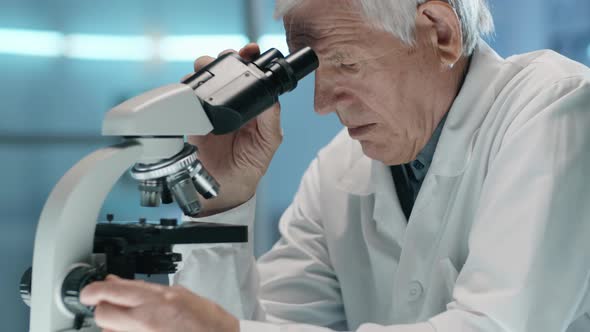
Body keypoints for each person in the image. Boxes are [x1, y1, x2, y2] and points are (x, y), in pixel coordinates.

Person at [80, 0, 590, 331]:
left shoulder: (552, 108)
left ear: (438, 33)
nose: (322, 103)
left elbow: (496, 325)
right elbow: (258, 322)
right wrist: (222, 203)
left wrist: (222, 330)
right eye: (312, 72)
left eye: (345, 63)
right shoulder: (339, 171)